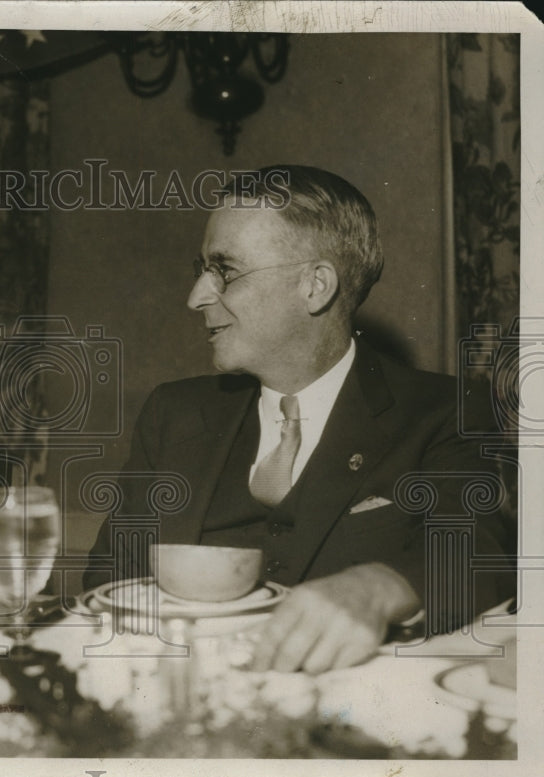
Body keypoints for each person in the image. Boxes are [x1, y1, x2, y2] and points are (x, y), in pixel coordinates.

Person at [84, 165, 514, 673]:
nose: (196, 296)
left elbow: (481, 556)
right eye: (200, 269)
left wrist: (376, 589)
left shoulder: (446, 412)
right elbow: (107, 585)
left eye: (225, 270)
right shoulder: (174, 414)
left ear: (315, 285)